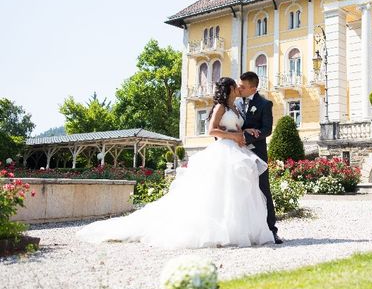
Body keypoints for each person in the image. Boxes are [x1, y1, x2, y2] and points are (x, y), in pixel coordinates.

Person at [76, 77, 274, 249]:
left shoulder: (236, 108)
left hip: (237, 152)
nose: (239, 89)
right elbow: (212, 131)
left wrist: (246, 133)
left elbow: (240, 127)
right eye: (235, 87)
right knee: (217, 192)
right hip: (223, 150)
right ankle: (219, 232)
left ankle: (238, 230)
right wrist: (234, 136)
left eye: (241, 87)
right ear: (229, 89)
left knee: (235, 192)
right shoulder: (221, 107)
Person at [236, 71, 282, 244]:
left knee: (263, 189)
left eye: (242, 86)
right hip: (237, 154)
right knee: (241, 191)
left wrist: (247, 138)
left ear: (253, 88)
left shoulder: (264, 104)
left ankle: (271, 230)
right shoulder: (235, 103)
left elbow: (267, 129)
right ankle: (244, 231)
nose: (239, 89)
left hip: (257, 153)